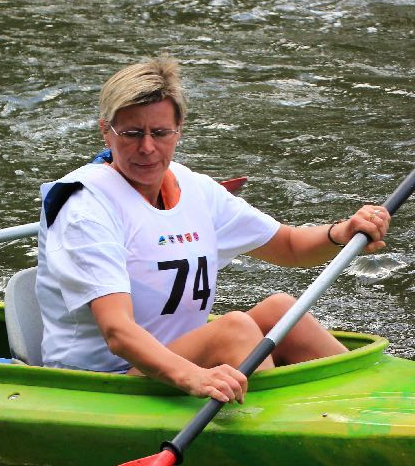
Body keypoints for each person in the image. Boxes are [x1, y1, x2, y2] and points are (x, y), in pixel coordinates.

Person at [36, 56, 391, 403]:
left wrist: (342, 233)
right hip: (101, 384)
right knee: (233, 329)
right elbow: (118, 333)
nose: (147, 148)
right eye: (131, 134)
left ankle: (375, 401)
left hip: (180, 359)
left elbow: (290, 246)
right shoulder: (84, 207)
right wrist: (196, 377)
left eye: (160, 133)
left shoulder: (196, 189)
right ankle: (281, 424)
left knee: (283, 310)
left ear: (178, 131)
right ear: (106, 131)